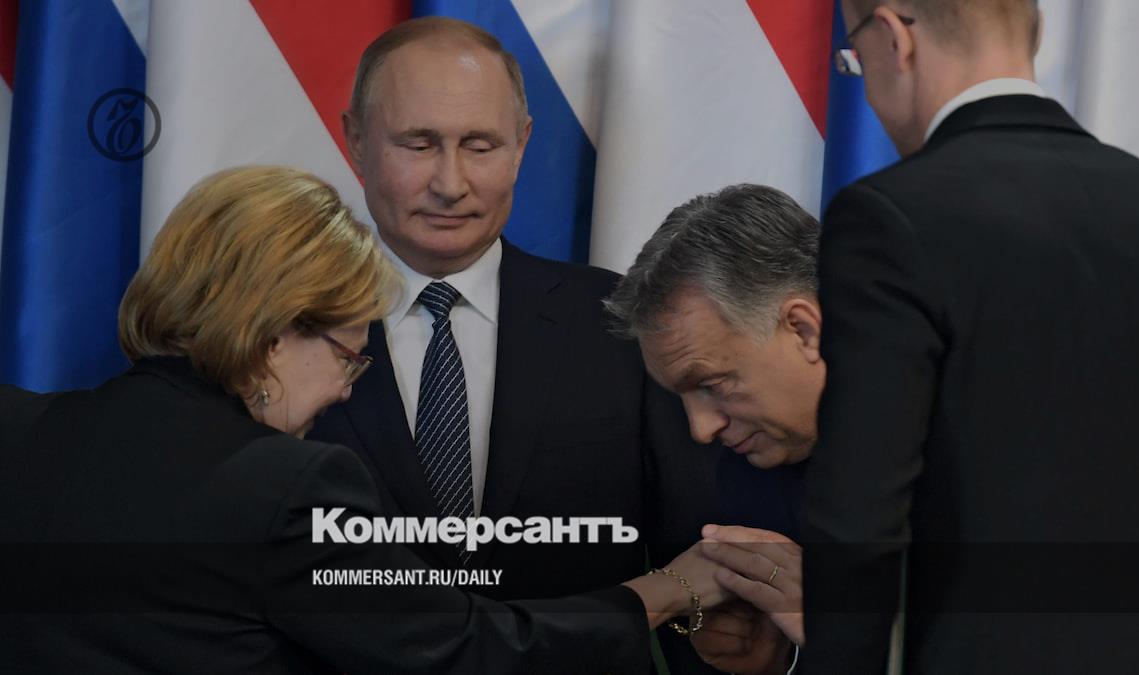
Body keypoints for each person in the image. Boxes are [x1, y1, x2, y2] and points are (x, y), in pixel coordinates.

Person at [0, 166, 732, 673]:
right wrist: (669, 589)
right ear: (277, 332)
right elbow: (464, 650)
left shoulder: (20, 430)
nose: (347, 391)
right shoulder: (286, 488)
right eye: (350, 357)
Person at [308, 16, 723, 672]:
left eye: (480, 145)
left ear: (522, 144)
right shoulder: (283, 330)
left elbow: (692, 570)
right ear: (355, 141)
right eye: (419, 144)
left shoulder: (621, 323)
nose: (450, 183)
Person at [798, 1, 1139, 673]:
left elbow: (857, 521)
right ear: (1031, 32)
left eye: (854, 61)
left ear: (894, 40)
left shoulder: (890, 218)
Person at [605, 183, 824, 674]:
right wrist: (781, 663)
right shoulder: (746, 476)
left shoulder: (976, 438)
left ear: (803, 330)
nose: (701, 430)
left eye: (712, 385)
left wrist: (858, 634)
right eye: (679, 397)